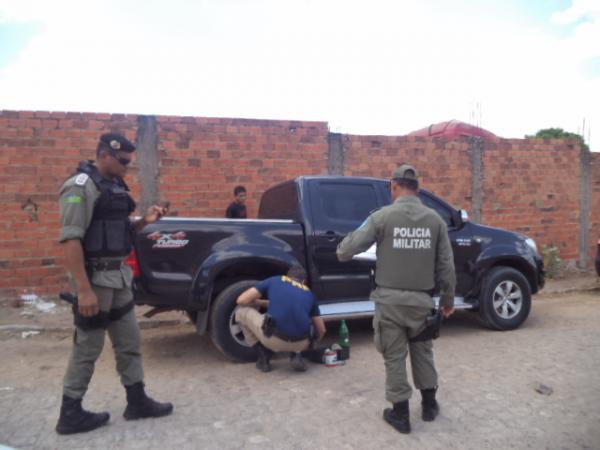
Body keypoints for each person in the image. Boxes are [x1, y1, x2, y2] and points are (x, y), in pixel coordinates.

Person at [55, 133, 173, 435]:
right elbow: (71, 240)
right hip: (95, 280)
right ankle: (70, 412)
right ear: (105, 155)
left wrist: (146, 220)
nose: (126, 167)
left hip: (119, 277)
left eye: (128, 163)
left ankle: (137, 401)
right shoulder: (80, 186)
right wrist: (83, 290)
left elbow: (120, 230)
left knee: (130, 340)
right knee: (88, 346)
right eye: (122, 161)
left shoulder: (115, 187)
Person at [336, 164, 456, 434]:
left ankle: (400, 415)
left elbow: (346, 251)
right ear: (418, 189)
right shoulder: (435, 220)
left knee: (394, 356)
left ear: (394, 186)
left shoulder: (381, 217)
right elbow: (446, 266)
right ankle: (429, 406)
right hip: (422, 304)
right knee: (423, 352)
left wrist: (347, 242)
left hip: (389, 304)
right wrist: (448, 300)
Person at [235, 266, 326, 372]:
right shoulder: (309, 294)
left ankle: (263, 356)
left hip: (272, 340)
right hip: (301, 343)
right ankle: (296, 354)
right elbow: (322, 330)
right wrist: (311, 345)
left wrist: (256, 302)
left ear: (287, 276)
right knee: (303, 321)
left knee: (241, 312)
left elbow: (241, 300)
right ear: (304, 281)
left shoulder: (275, 280)